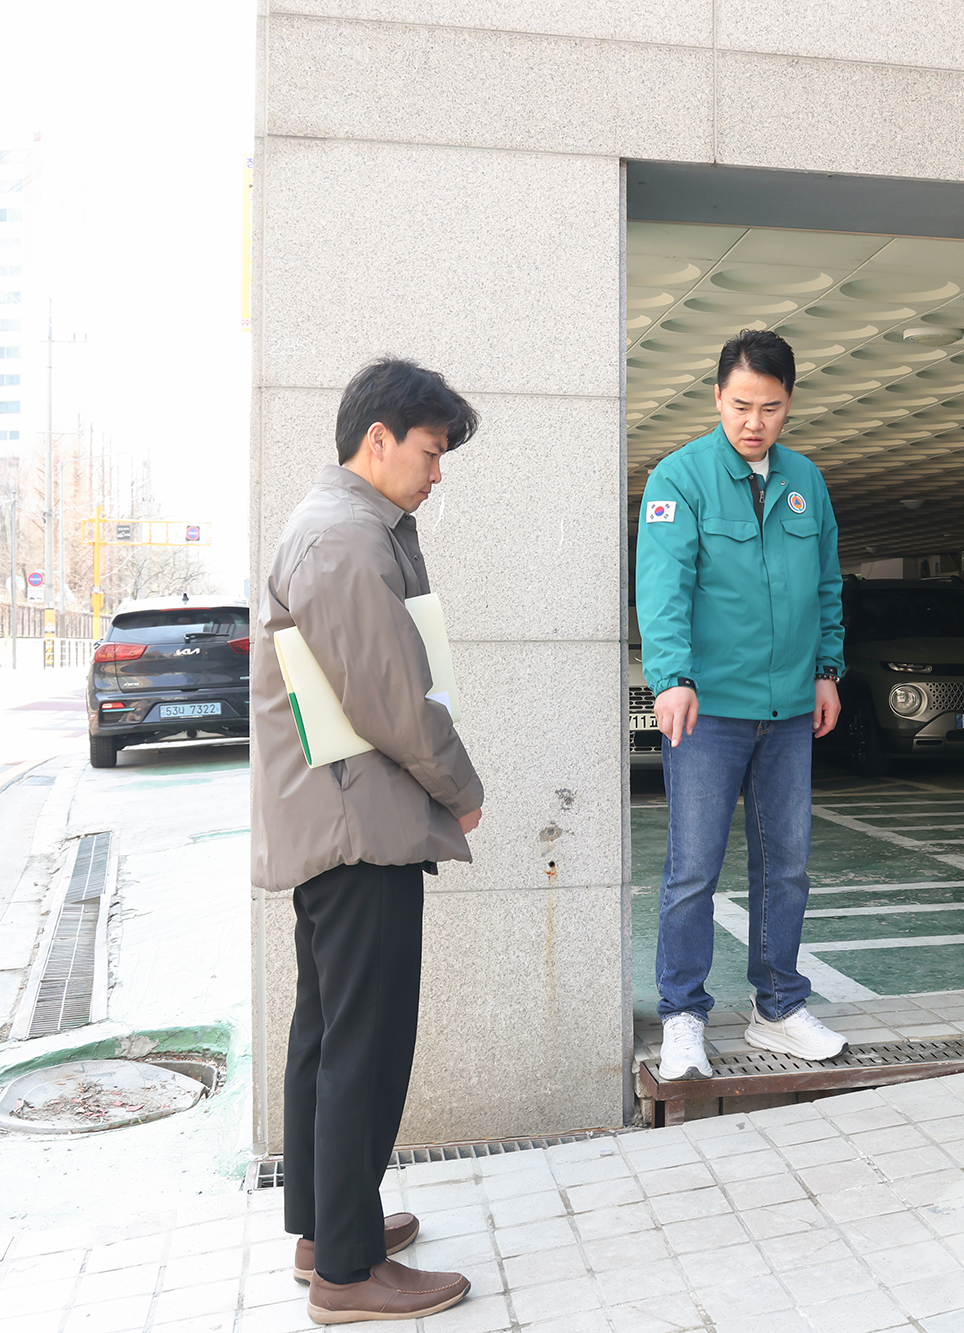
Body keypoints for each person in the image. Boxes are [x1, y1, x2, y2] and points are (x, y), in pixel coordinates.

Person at [250, 357, 484, 1323]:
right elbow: (393, 694)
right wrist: (461, 786)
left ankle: (323, 1226)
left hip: (339, 818)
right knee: (366, 1042)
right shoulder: (345, 542)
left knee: (329, 1031)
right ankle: (347, 1273)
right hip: (361, 822)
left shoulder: (337, 529)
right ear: (376, 439)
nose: (438, 472)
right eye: (430, 452)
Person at [636, 328, 847, 1081]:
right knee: (693, 867)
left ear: (789, 405)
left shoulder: (805, 482)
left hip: (789, 708)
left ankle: (778, 1007)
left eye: (771, 408)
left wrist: (827, 668)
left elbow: (827, 584)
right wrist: (671, 678)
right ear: (716, 397)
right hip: (709, 709)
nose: (754, 422)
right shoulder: (679, 479)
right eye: (740, 405)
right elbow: (664, 589)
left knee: (786, 866)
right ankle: (683, 1015)